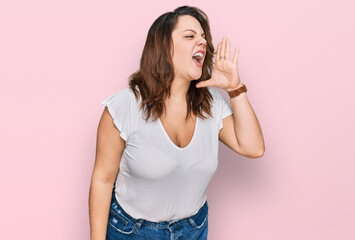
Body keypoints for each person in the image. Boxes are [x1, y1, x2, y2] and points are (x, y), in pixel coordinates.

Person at [89, 5, 265, 240]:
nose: (202, 42)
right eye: (190, 36)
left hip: (192, 229)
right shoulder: (125, 106)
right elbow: (102, 180)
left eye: (203, 37)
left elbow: (253, 148)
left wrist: (235, 89)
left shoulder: (211, 103)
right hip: (132, 231)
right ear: (164, 48)